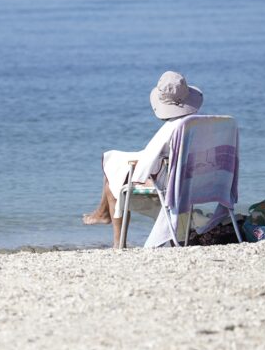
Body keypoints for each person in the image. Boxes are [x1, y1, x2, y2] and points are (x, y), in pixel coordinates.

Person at [82, 71, 204, 247]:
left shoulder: (173, 128)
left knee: (113, 177)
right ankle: (103, 213)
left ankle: (117, 241)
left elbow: (148, 163)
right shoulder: (200, 124)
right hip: (194, 179)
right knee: (115, 168)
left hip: (169, 182)